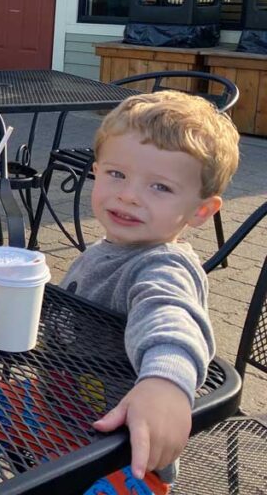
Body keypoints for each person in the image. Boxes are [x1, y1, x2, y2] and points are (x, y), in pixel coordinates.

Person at [62, 91, 241, 494]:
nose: (128, 194)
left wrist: (166, 383)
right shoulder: (109, 248)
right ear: (96, 171)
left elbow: (171, 318)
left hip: (121, 453)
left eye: (159, 187)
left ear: (200, 211)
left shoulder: (163, 266)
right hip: (61, 403)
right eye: (116, 174)